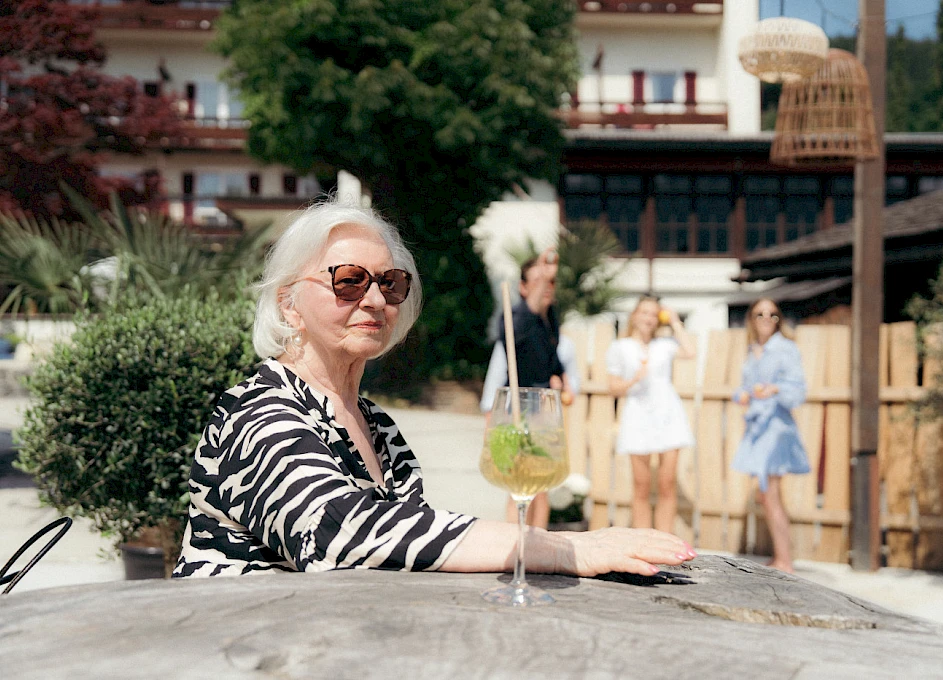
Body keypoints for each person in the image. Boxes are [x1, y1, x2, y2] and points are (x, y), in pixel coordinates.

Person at [173, 199, 696, 578]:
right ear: (289, 302)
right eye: (349, 280)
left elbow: (411, 546)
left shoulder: (377, 426)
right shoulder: (260, 411)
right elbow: (339, 534)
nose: (376, 299)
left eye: (390, 283)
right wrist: (563, 549)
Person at [492, 248, 575, 529]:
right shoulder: (516, 317)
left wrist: (562, 378)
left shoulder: (549, 319)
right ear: (524, 287)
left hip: (544, 409)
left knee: (542, 481)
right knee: (519, 479)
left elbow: (552, 357)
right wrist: (543, 270)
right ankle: (516, 540)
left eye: (551, 282)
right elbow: (516, 344)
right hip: (519, 405)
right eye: (539, 281)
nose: (547, 286)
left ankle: (538, 540)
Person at [731, 298, 809, 574]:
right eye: (759, 313)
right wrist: (742, 394)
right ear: (751, 318)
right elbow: (746, 388)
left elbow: (798, 391)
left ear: (779, 319)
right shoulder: (754, 351)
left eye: (772, 314)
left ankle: (785, 562)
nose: (765, 318)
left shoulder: (786, 349)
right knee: (768, 495)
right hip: (757, 428)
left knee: (770, 494)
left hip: (775, 430)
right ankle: (781, 557)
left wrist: (774, 389)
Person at [605, 296, 696, 533]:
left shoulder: (664, 344)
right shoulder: (620, 347)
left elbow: (690, 351)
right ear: (634, 315)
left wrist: (675, 321)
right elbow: (613, 387)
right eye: (644, 312)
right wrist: (634, 378)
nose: (648, 318)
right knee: (641, 485)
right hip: (637, 415)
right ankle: (645, 540)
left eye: (654, 314)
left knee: (667, 483)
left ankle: (664, 540)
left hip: (668, 413)